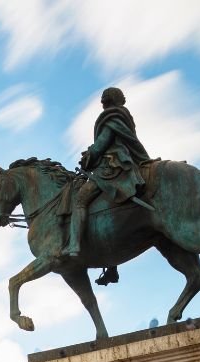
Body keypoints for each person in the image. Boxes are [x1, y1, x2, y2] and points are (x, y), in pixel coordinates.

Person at [63, 86, 151, 285]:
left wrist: (89, 156)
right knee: (109, 210)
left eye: (103, 100)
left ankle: (74, 245)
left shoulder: (110, 118)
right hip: (123, 164)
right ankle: (111, 267)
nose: (102, 103)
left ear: (107, 101)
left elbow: (102, 144)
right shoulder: (124, 116)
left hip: (112, 168)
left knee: (80, 200)